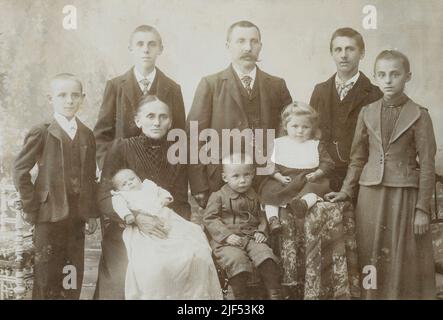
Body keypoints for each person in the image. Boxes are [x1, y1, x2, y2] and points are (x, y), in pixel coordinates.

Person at [326, 50, 437, 299]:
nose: (388, 80)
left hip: (404, 194)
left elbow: (427, 166)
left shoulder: (420, 115)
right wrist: (345, 191)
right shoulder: (367, 113)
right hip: (370, 194)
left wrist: (422, 209)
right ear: (375, 77)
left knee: (402, 254)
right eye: (382, 75)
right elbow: (357, 159)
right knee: (370, 252)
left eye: (395, 74)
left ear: (407, 76)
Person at [94, 95, 199, 299]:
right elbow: (104, 195)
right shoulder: (121, 147)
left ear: (170, 122)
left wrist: (171, 227)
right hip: (128, 226)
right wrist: (137, 218)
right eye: (150, 116)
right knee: (126, 273)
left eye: (163, 117)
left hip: (165, 226)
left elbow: (180, 200)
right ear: (138, 120)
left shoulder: (178, 150)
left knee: (193, 258)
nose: (157, 122)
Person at [187, 20, 292, 208]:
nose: (248, 47)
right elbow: (194, 137)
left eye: (254, 42)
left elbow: (288, 135)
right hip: (222, 180)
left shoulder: (277, 85)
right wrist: (198, 185)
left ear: (260, 46)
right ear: (228, 46)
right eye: (241, 41)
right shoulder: (210, 84)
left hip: (268, 180)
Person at [13, 73, 98, 299]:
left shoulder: (87, 135)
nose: (69, 100)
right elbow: (20, 170)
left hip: (76, 218)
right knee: (47, 276)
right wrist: (32, 207)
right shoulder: (42, 131)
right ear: (50, 99)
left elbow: (90, 178)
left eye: (75, 95)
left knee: (71, 274)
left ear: (82, 98)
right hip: (48, 217)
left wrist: (90, 213)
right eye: (62, 95)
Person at [110, 168, 222, 299]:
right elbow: (119, 206)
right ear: (119, 189)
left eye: (132, 179)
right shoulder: (121, 196)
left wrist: (165, 198)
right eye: (124, 184)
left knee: (195, 244)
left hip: (169, 220)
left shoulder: (148, 186)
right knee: (152, 261)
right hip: (143, 230)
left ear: (139, 179)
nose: (129, 183)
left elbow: (162, 192)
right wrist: (128, 215)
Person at [94, 25, 186, 169]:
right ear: (130, 49)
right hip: (123, 172)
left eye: (152, 44)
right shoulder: (115, 86)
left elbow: (179, 136)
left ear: (160, 49)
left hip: (161, 171)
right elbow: (101, 135)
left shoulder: (173, 89)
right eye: (140, 44)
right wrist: (111, 168)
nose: (146, 50)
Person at [309, 27, 382, 192]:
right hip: (323, 174)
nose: (343, 55)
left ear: (361, 53)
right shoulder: (320, 91)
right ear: (332, 53)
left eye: (350, 49)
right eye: (338, 49)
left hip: (361, 177)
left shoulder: (375, 94)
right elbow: (311, 133)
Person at [203, 153, 283, 300]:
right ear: (225, 177)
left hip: (251, 237)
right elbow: (210, 219)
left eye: (247, 175)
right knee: (236, 259)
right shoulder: (218, 196)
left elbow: (261, 216)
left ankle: (274, 292)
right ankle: (241, 296)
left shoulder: (254, 194)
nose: (242, 181)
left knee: (265, 255)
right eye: (236, 176)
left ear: (253, 175)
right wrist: (227, 236)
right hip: (227, 241)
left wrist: (261, 231)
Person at [258, 102, 335, 233]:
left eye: (305, 127)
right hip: (284, 180)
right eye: (295, 126)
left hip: (307, 180)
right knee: (269, 192)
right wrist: (278, 176)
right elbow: (269, 164)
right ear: (285, 126)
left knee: (315, 189)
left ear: (312, 128)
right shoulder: (279, 143)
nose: (300, 131)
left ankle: (303, 204)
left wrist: (317, 174)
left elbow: (328, 163)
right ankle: (273, 219)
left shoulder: (315, 145)